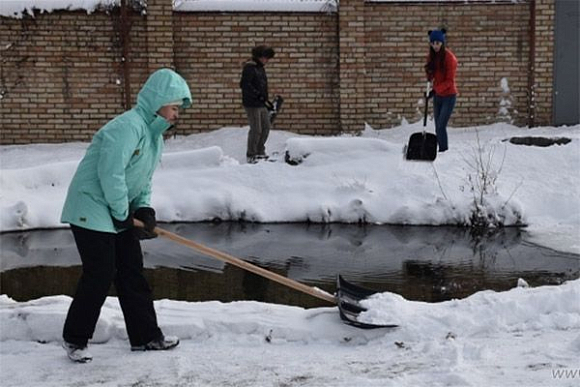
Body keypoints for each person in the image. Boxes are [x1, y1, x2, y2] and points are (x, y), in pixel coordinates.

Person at [60, 68, 192, 363]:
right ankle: (75, 339)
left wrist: (143, 208)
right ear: (159, 101)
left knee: (132, 271)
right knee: (101, 273)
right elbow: (111, 173)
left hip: (114, 209)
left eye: (178, 110)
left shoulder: (153, 136)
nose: (176, 115)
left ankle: (146, 337)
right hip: (90, 208)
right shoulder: (127, 127)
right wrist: (122, 213)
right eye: (174, 107)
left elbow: (142, 178)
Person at [240, 45, 275, 164]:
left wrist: (266, 100)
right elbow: (245, 85)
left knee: (266, 127)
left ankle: (260, 151)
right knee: (256, 129)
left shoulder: (260, 68)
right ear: (259, 57)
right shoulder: (250, 68)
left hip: (261, 103)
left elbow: (261, 86)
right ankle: (252, 154)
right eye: (265, 58)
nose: (267, 60)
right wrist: (257, 95)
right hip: (252, 104)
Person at [424, 28, 458, 153]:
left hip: (449, 96)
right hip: (438, 96)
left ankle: (444, 151)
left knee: (440, 125)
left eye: (437, 43)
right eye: (433, 43)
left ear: (442, 43)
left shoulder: (450, 58)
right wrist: (429, 72)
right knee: (437, 127)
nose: (435, 46)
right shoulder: (431, 57)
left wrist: (435, 90)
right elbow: (431, 76)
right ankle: (439, 150)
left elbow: (449, 81)